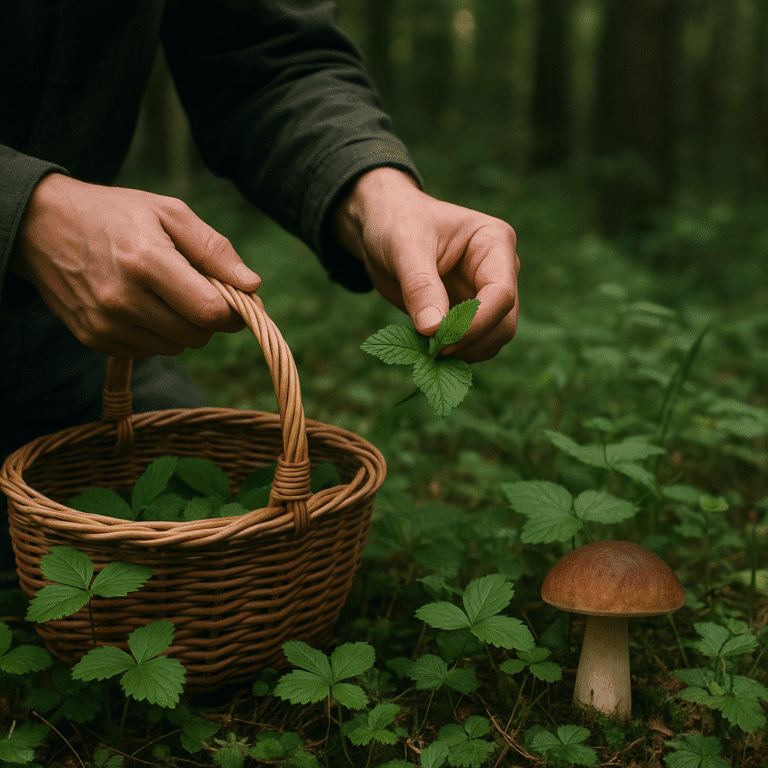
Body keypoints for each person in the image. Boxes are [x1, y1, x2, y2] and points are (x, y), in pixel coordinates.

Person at [0, 1, 519, 572]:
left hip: (63, 344)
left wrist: (375, 192)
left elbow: (268, 54)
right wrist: (23, 212)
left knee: (225, 541)